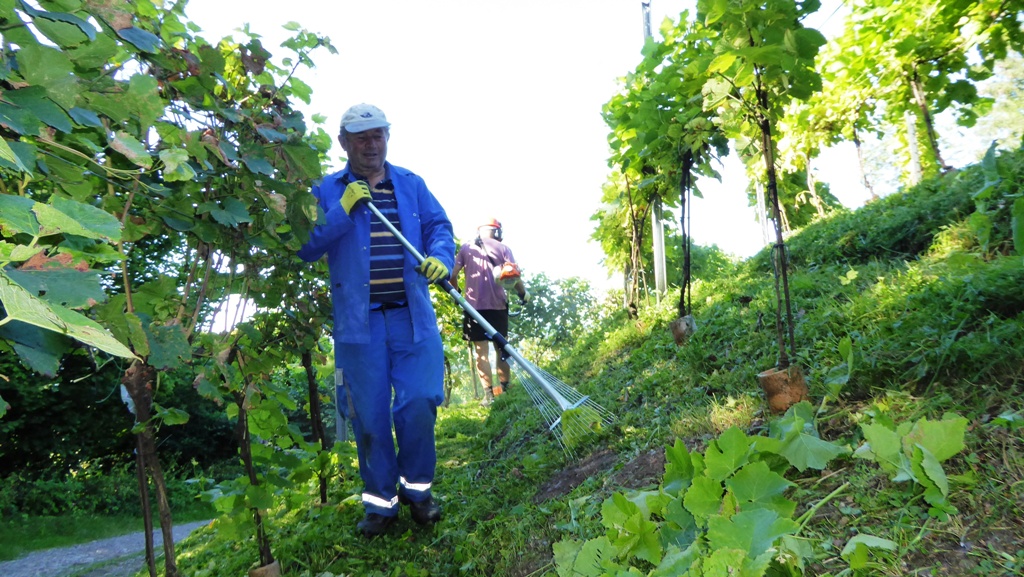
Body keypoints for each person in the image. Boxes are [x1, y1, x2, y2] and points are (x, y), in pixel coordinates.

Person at [297, 103, 455, 538]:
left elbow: (439, 227)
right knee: (368, 415)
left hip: (412, 316)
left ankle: (418, 492)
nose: (371, 145)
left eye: (377, 135)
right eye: (361, 138)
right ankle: (380, 504)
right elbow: (306, 246)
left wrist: (442, 257)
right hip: (358, 325)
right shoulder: (326, 190)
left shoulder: (411, 183)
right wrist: (341, 210)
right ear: (344, 142)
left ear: (388, 137)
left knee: (420, 400)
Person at [450, 219, 530, 405]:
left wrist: (457, 292)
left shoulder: (466, 248)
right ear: (496, 231)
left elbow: (452, 274)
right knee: (501, 347)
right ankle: (506, 388)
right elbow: (513, 275)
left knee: (481, 352)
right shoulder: (504, 249)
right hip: (498, 306)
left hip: (473, 308)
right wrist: (523, 294)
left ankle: (489, 396)